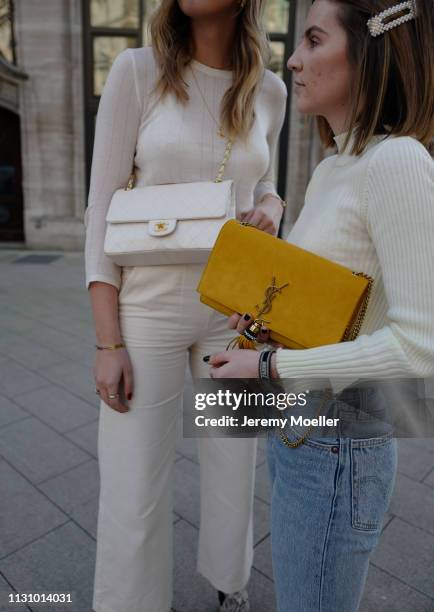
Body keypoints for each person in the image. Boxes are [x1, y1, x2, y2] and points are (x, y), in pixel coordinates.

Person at [206, 0, 434, 610]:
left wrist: (269, 369)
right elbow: (336, 304)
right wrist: (267, 321)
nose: (295, 60)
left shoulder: (399, 161)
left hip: (340, 435)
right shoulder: (336, 165)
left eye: (312, 40)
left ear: (369, 49)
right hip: (300, 428)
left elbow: (421, 346)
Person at [84, 1, 287, 611]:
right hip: (147, 309)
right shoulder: (137, 71)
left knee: (235, 466)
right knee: (133, 480)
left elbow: (261, 179)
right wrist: (106, 341)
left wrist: (274, 207)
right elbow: (100, 205)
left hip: (238, 311)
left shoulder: (270, 89)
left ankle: (231, 585)